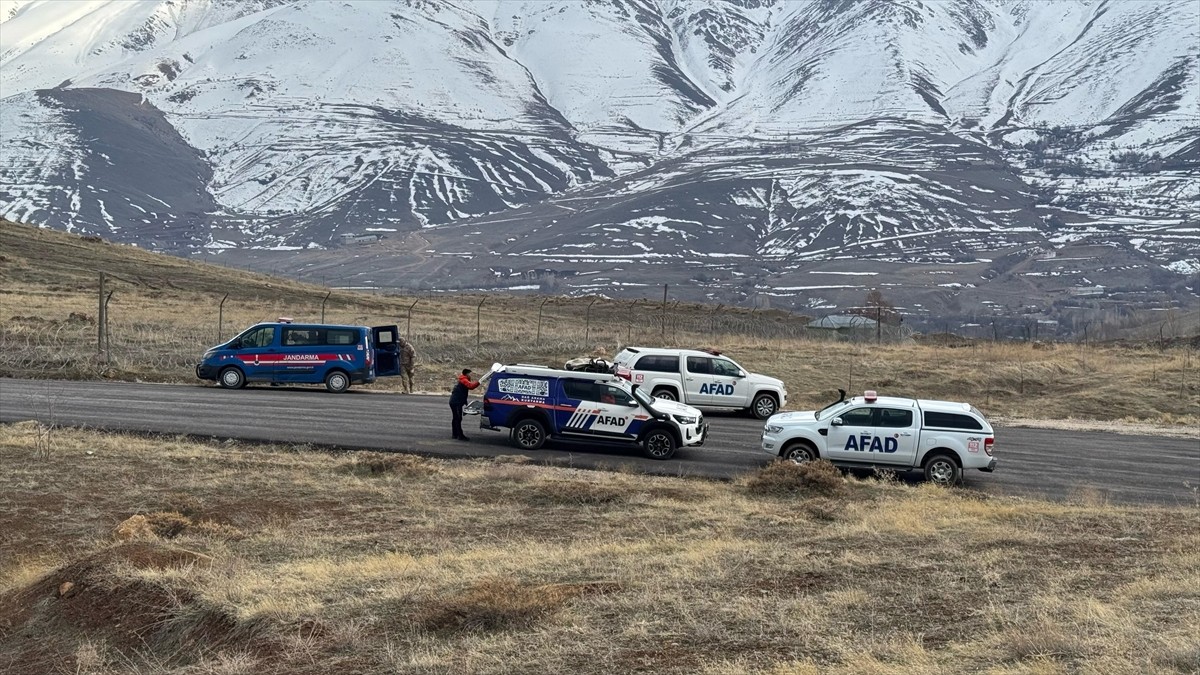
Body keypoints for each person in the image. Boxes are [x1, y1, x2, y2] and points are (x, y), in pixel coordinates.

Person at [449, 368, 479, 441]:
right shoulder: (464, 380)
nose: (471, 375)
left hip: (455, 401)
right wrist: (479, 382)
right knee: (458, 418)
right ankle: (460, 435)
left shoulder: (462, 379)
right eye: (470, 374)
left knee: (456, 418)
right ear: (467, 374)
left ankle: (455, 434)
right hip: (456, 402)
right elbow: (471, 386)